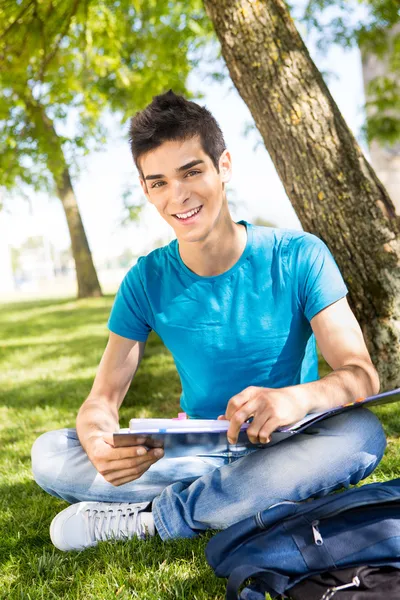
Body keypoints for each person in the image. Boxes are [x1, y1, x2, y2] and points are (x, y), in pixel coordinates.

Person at [31, 90, 386, 552]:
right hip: (193, 457)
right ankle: (249, 495)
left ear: (224, 167)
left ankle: (155, 518)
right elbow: (102, 399)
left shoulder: (300, 255)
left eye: (191, 172)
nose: (178, 196)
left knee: (360, 435)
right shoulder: (146, 279)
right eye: (158, 182)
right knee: (49, 453)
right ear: (145, 189)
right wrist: (100, 443)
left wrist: (294, 399)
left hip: (287, 443)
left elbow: (361, 376)